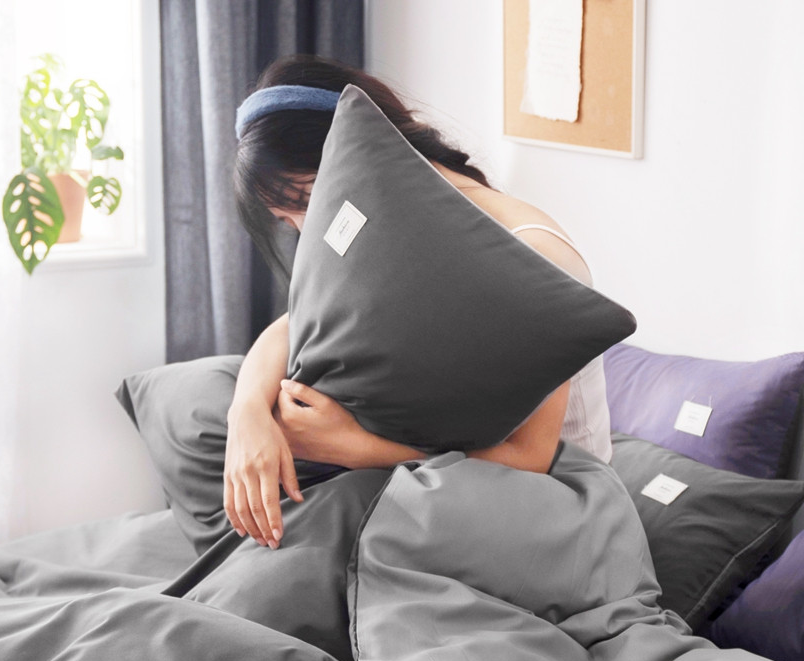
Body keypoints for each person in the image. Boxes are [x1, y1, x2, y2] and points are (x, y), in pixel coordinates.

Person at [225, 55, 611, 549]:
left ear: (365, 150)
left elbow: (532, 458)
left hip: (551, 504)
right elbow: (290, 325)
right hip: (430, 480)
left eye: (309, 200)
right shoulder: (381, 232)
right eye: (288, 221)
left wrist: (356, 445)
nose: (308, 230)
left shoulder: (534, 253)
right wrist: (246, 414)